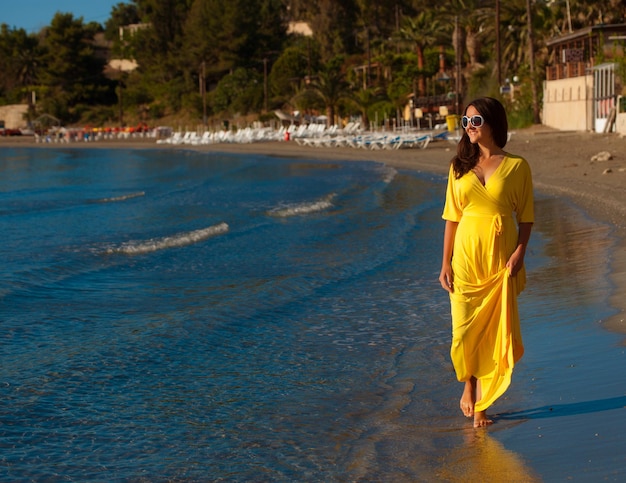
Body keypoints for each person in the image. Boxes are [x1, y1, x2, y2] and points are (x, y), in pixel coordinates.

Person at [439, 97, 534, 428]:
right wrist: (445, 264)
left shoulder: (517, 166)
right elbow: (451, 217)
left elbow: (526, 217)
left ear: (493, 123)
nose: (469, 128)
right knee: (464, 329)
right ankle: (468, 383)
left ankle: (480, 401)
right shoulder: (458, 167)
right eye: (466, 122)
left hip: (499, 258)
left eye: (475, 121)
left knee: (493, 329)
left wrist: (521, 250)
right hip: (465, 258)